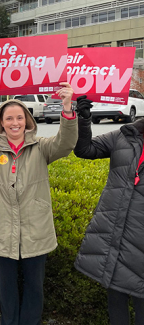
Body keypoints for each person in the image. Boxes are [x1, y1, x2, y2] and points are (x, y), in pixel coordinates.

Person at [0, 81, 78, 325]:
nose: (14, 123)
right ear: (1, 123)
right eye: (9, 118)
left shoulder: (42, 147)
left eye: (19, 118)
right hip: (1, 230)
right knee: (6, 288)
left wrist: (67, 108)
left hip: (35, 230)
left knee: (34, 288)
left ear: (27, 121)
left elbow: (66, 143)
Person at [73, 95, 144, 325]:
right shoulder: (124, 135)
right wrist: (84, 120)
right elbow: (85, 149)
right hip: (116, 242)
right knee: (117, 308)